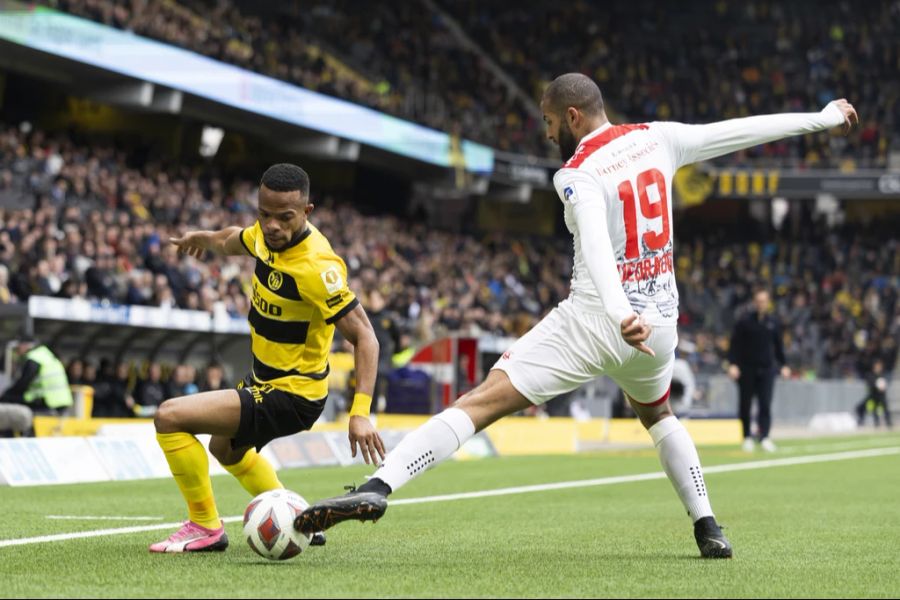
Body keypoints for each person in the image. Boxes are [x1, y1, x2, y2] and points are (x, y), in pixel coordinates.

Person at [295, 73, 858, 560]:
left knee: (481, 401)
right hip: (660, 327)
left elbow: (594, 245)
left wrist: (615, 311)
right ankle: (707, 524)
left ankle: (379, 484)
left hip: (596, 321)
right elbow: (737, 131)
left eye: (547, 122)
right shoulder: (656, 138)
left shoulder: (576, 173)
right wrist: (820, 117)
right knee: (658, 414)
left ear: (571, 115)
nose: (546, 135)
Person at [149, 163, 384, 553]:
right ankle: (296, 518)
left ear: (306, 212)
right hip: (265, 381)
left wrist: (360, 411)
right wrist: (202, 238)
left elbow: (365, 336)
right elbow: (232, 240)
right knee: (224, 449)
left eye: (284, 217)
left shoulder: (317, 267)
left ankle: (204, 527)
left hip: (293, 393)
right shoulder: (264, 236)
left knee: (169, 416)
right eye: (264, 214)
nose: (272, 225)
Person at [727, 288, 792, 453]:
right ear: (754, 302)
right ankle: (747, 437)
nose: (761, 304)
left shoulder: (774, 322)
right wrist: (733, 364)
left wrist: (783, 365)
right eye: (758, 301)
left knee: (765, 403)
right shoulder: (744, 322)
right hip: (747, 369)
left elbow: (778, 347)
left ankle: (765, 437)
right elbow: (735, 345)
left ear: (768, 302)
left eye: (764, 301)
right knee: (745, 404)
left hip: (767, 369)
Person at [0, 338, 73, 416]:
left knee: (10, 399)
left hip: (47, 402)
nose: (18, 351)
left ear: (25, 346)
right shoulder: (45, 354)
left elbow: (23, 383)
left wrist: (6, 395)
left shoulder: (35, 358)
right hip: (61, 401)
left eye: (18, 347)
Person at [855, 359, 892, 429]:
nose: (879, 367)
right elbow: (870, 384)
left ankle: (888, 423)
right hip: (873, 396)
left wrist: (882, 387)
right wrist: (876, 385)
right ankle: (864, 422)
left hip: (881, 396)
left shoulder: (883, 375)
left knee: (885, 408)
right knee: (863, 408)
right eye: (878, 365)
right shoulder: (870, 375)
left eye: (880, 366)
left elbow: (885, 385)